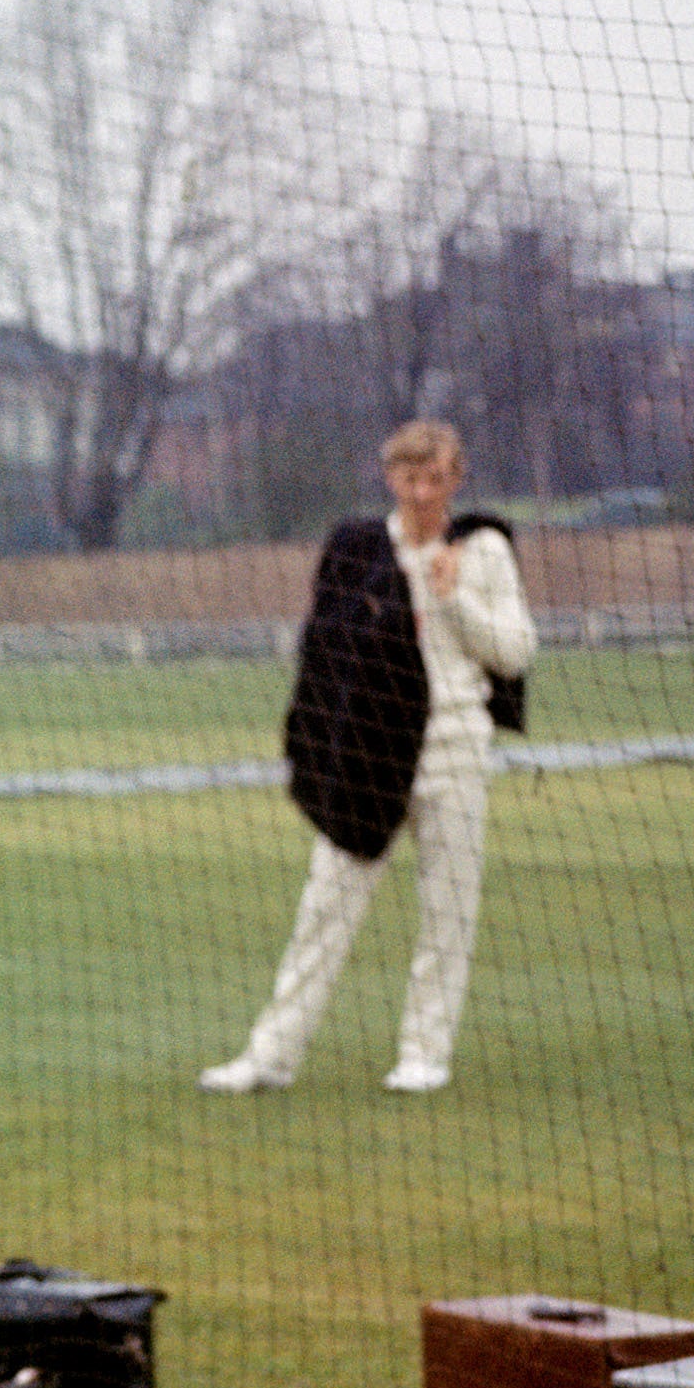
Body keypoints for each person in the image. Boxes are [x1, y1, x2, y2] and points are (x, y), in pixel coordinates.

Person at [200, 417, 534, 1099]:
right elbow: (324, 656)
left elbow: (515, 651)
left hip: (454, 753)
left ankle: (424, 1053)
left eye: (436, 479)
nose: (423, 493)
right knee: (323, 907)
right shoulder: (356, 551)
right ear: (391, 479)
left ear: (456, 479)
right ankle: (271, 1055)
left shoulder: (485, 551)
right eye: (410, 479)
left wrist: (455, 597)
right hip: (371, 757)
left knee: (448, 911)